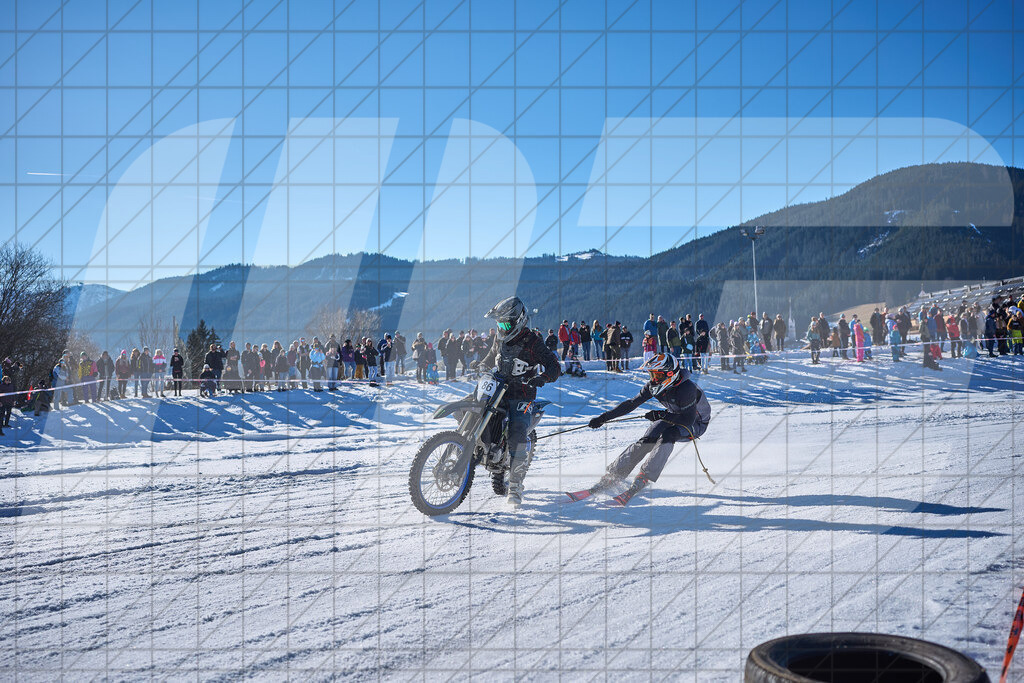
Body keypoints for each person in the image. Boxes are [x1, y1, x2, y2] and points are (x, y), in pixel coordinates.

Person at [582, 353, 712, 506]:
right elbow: (631, 403)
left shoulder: (686, 388)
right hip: (674, 416)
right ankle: (615, 474)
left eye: (657, 375)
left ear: (669, 374)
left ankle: (645, 475)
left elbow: (687, 419)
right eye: (652, 374)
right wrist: (603, 418)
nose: (653, 379)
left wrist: (661, 414)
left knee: (668, 435)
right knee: (648, 439)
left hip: (695, 423)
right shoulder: (655, 386)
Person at [476, 295, 561, 508]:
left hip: (522, 394)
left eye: (505, 323)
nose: (502, 327)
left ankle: (515, 486)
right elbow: (492, 355)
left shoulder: (533, 341)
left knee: (516, 433)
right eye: (499, 323)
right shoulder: (500, 337)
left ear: (519, 321)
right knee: (474, 407)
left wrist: (543, 378)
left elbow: (554, 365)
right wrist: (482, 364)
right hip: (498, 388)